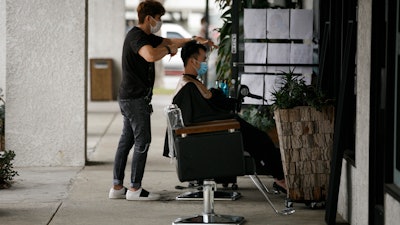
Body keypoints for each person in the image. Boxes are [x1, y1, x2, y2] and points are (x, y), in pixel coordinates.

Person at [109, 0, 216, 201]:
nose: (159, 22)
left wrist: (194, 40)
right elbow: (150, 55)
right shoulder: (137, 37)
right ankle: (134, 189)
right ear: (149, 18)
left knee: (127, 141)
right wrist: (168, 51)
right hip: (135, 99)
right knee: (143, 141)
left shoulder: (146, 36)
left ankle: (117, 187)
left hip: (130, 98)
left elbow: (169, 42)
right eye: (158, 19)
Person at [164, 41, 287, 192]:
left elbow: (204, 110)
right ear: (192, 61)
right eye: (203, 59)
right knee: (261, 140)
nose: (205, 62)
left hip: (210, 133)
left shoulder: (190, 82)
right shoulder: (188, 86)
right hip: (207, 137)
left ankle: (279, 176)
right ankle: (280, 178)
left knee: (260, 139)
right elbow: (199, 117)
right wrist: (229, 119)